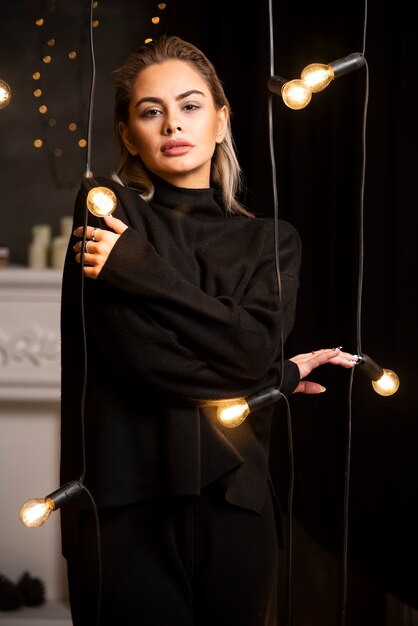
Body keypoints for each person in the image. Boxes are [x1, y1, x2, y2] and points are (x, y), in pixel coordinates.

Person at [59, 35, 358, 626]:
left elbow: (250, 354)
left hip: (236, 500)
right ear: (128, 134)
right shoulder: (105, 207)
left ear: (222, 121)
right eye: (151, 111)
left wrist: (138, 270)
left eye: (191, 106)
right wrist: (275, 374)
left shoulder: (271, 240)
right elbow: (142, 361)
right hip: (123, 501)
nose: (173, 123)